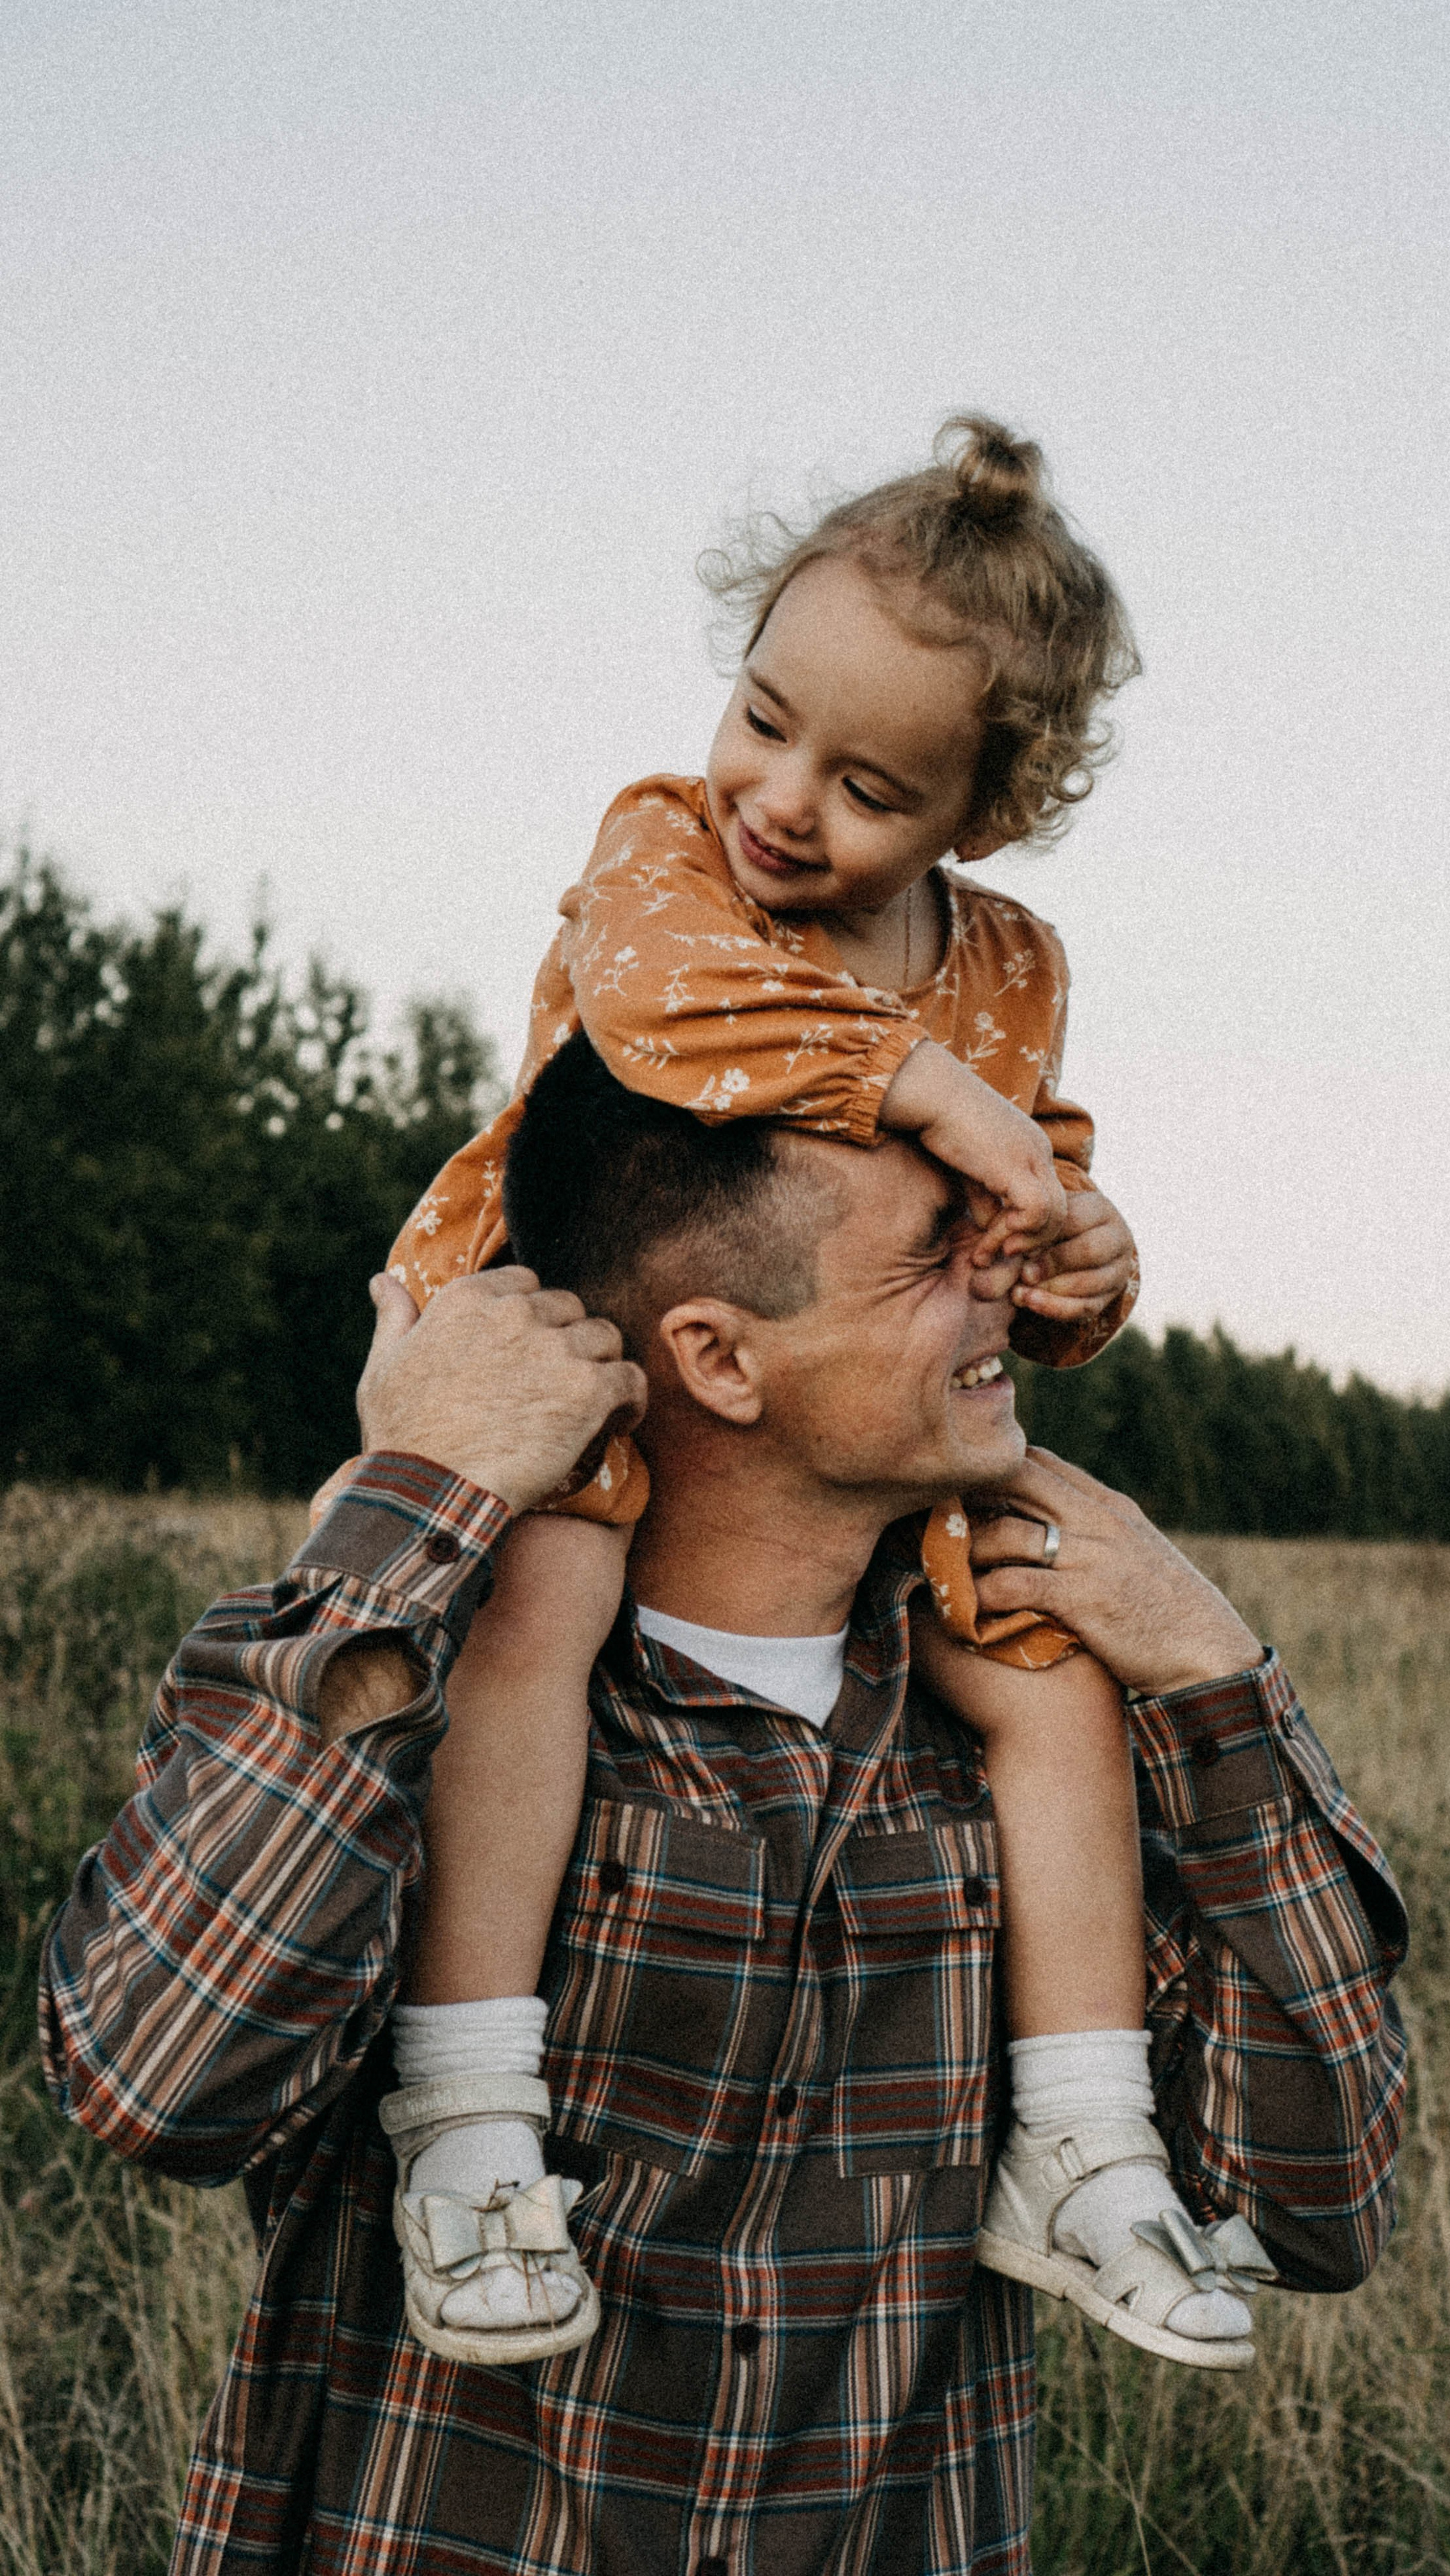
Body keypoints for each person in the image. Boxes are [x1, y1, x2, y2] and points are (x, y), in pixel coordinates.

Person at [42, 1051, 1408, 2576]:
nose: (1002, 1286)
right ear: (720, 1355)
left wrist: (1217, 1678)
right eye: (928, 1260)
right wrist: (415, 1495)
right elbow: (160, 2083)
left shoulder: (1028, 1736)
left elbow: (1316, 2207)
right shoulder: (449, 1693)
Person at [335, 417, 1218, 2365]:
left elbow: (1021, 1177)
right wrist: (931, 1097)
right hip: (555, 1337)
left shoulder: (1004, 963)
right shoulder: (666, 854)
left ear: (979, 816)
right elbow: (668, 1019)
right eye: (765, 717)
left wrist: (1076, 1253)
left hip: (834, 1397)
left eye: (871, 786)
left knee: (1041, 1653)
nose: (785, 802)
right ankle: (469, 2116)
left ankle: (1078, 2137)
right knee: (539, 1609)